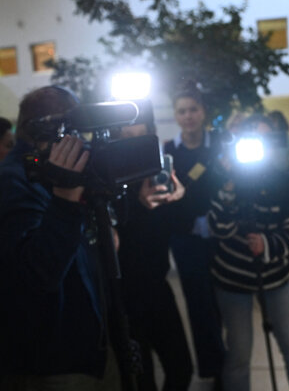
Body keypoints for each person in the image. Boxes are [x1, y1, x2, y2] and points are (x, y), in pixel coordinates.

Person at [0, 86, 120, 390]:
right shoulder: (13, 179)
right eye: (75, 130)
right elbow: (36, 273)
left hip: (79, 348)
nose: (81, 140)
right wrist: (66, 199)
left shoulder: (50, 171)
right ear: (52, 128)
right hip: (48, 364)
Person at [208, 114, 289, 391]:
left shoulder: (285, 181)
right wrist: (230, 185)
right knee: (239, 354)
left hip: (276, 277)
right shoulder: (225, 178)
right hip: (232, 278)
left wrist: (266, 244)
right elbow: (218, 227)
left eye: (265, 139)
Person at [115, 120, 193, 391]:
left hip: (158, 288)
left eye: (141, 136)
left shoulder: (160, 174)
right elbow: (111, 238)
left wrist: (180, 198)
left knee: (181, 368)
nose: (135, 142)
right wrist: (137, 206)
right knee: (141, 378)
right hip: (124, 294)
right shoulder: (110, 179)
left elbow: (182, 227)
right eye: (128, 136)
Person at [163, 84, 224, 386]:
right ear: (175, 115)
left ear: (203, 112)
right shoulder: (167, 152)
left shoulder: (221, 145)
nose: (188, 116)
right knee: (197, 303)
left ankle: (226, 366)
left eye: (193, 109)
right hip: (185, 238)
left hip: (223, 234)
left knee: (224, 302)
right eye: (182, 111)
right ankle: (210, 369)